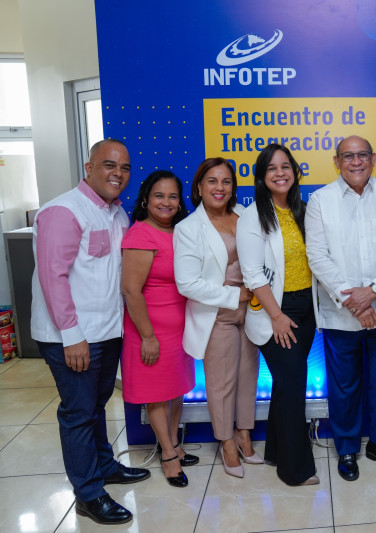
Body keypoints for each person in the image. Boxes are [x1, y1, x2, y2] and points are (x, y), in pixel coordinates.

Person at [31, 139, 150, 525]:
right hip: (73, 336)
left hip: (105, 331)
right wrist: (72, 336)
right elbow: (53, 278)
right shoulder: (63, 211)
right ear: (89, 167)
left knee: (96, 405)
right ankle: (88, 493)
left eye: (125, 168)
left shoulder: (116, 214)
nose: (118, 173)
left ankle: (104, 466)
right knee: (79, 413)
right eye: (109, 165)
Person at [305, 135, 376, 481]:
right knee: (344, 386)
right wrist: (354, 300)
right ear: (336, 161)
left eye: (362, 155)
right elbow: (317, 257)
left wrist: (373, 291)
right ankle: (348, 449)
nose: (356, 162)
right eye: (348, 156)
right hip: (340, 314)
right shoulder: (320, 201)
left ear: (374, 158)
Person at [237, 144, 319, 486]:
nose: (280, 173)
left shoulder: (305, 210)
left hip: (307, 309)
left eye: (286, 166)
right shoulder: (252, 216)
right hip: (275, 311)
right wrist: (277, 316)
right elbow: (253, 274)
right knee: (293, 384)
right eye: (272, 169)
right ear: (261, 177)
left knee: (287, 387)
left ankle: (275, 452)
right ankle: (295, 469)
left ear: (295, 172)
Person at [174, 158, 260, 478]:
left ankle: (244, 433)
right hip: (217, 315)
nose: (219, 188)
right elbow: (187, 283)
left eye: (226, 181)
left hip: (251, 313)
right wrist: (233, 295)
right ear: (199, 187)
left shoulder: (245, 219)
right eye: (212, 181)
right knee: (222, 384)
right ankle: (225, 441)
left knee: (248, 378)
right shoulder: (188, 228)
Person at [120, 170, 197, 488]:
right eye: (159, 196)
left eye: (173, 196)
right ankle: (168, 456)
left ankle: (175, 445)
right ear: (145, 199)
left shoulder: (180, 233)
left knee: (175, 391)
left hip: (181, 330)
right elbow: (131, 291)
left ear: (181, 203)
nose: (166, 202)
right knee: (156, 397)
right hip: (150, 332)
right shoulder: (141, 235)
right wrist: (148, 336)